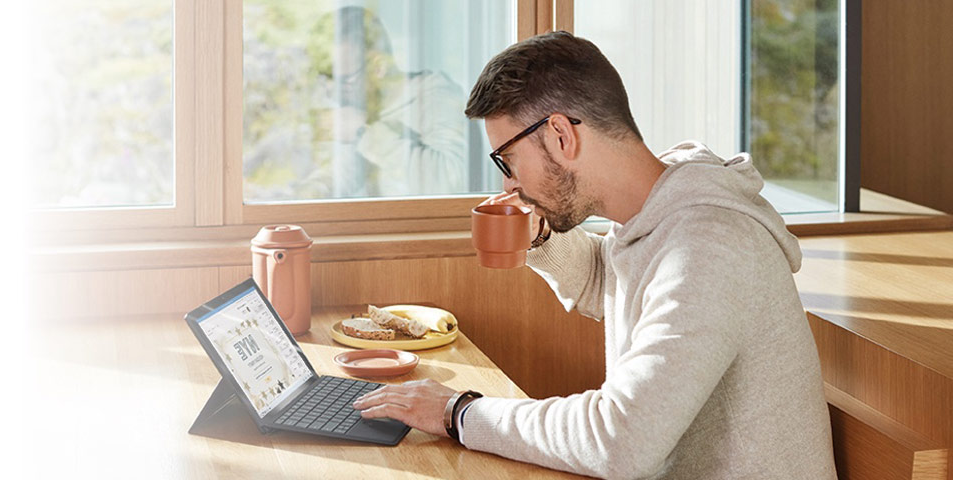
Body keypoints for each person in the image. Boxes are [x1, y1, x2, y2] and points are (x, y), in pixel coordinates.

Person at [350, 31, 836, 479]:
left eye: (508, 159)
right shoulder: (660, 209)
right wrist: (540, 235)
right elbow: (617, 282)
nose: (508, 183)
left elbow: (621, 440)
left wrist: (458, 412)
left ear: (561, 135)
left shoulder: (711, 244)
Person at [306, 6, 469, 198]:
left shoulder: (436, 98)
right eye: (325, 80)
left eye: (344, 80)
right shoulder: (367, 103)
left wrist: (362, 132)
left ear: (379, 67)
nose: (332, 94)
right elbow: (345, 172)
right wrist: (306, 194)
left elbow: (450, 185)